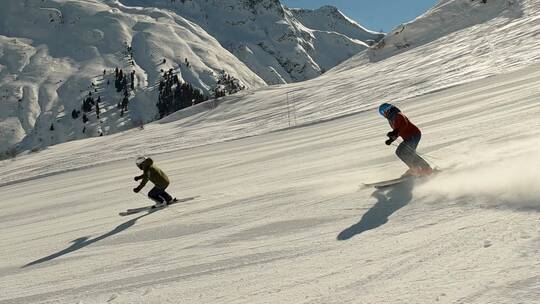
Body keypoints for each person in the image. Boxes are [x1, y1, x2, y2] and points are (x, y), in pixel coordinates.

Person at [379, 103, 432, 176]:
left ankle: (424, 168)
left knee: (407, 152)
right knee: (400, 152)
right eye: (381, 114)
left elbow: (404, 125)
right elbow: (398, 130)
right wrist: (391, 139)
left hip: (413, 135)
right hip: (408, 137)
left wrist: (394, 132)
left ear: (387, 110)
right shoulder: (391, 119)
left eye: (382, 112)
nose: (383, 115)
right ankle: (416, 168)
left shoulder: (398, 115)